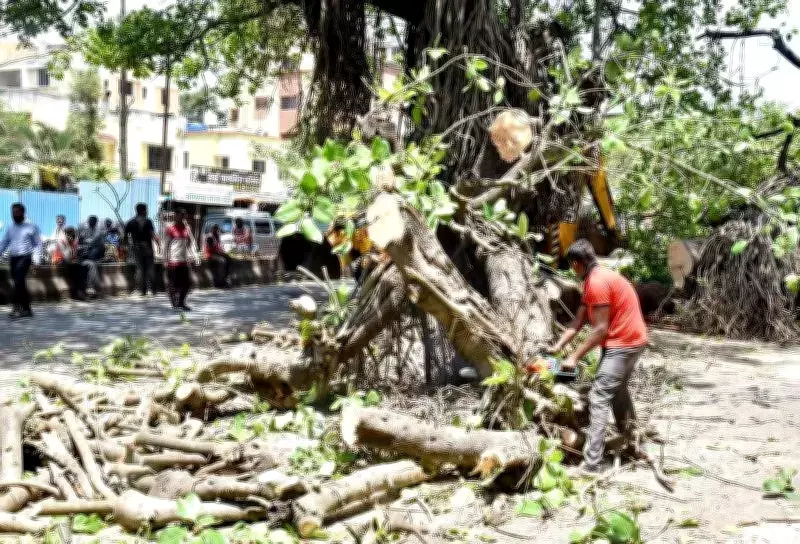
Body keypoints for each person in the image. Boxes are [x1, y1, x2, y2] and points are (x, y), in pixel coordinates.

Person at [547, 239, 648, 474]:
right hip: (629, 340)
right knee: (617, 390)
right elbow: (580, 319)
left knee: (599, 396)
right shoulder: (594, 279)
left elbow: (600, 330)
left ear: (576, 264)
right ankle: (633, 442)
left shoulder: (597, 282)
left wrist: (573, 358)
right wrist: (558, 346)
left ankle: (592, 464)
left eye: (572, 266)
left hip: (624, 343)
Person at [0, 203, 42, 318]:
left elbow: (38, 244)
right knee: (18, 282)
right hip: (13, 258)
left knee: (18, 280)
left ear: (23, 213)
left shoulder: (31, 227)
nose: (14, 215)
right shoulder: (10, 227)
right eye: (12, 213)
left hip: (25, 257)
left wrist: (37, 260)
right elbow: (4, 242)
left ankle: (16, 307)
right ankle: (27, 309)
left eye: (17, 212)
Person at [164, 208, 199, 311]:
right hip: (173, 260)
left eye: (183, 215)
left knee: (187, 283)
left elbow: (189, 244)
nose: (182, 217)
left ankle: (181, 303)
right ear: (175, 216)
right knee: (173, 284)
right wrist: (165, 260)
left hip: (184, 260)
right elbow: (166, 246)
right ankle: (174, 304)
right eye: (180, 215)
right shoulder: (170, 229)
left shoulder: (187, 228)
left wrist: (193, 256)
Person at [124, 204, 161, 297]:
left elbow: (124, 236)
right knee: (150, 269)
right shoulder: (148, 221)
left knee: (140, 269)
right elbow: (152, 234)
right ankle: (152, 289)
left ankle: (142, 290)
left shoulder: (131, 222)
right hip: (147, 247)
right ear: (142, 211)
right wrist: (158, 244)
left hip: (137, 248)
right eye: (146, 210)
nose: (147, 211)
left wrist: (126, 247)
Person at [53, 227, 86, 300]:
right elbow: (66, 256)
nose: (72, 236)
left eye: (73, 235)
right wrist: (68, 245)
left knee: (81, 267)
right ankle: (77, 293)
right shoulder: (61, 241)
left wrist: (73, 244)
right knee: (73, 268)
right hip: (59, 260)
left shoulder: (75, 241)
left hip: (71, 260)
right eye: (70, 235)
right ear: (66, 234)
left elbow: (74, 254)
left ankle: (80, 292)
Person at [78, 215, 105, 297]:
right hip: (90, 249)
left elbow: (91, 241)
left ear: (95, 222)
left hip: (98, 249)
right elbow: (82, 239)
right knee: (86, 261)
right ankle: (92, 288)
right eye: (89, 221)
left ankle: (93, 288)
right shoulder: (86, 229)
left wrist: (84, 240)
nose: (89, 223)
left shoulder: (99, 231)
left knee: (90, 259)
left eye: (91, 221)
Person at [205, 224, 231, 288]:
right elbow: (210, 249)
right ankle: (221, 281)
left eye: (217, 230)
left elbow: (219, 246)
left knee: (228, 258)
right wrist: (219, 253)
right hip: (211, 255)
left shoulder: (217, 236)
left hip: (216, 253)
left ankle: (225, 278)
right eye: (215, 229)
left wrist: (222, 252)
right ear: (212, 230)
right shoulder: (209, 237)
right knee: (222, 261)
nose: (216, 231)